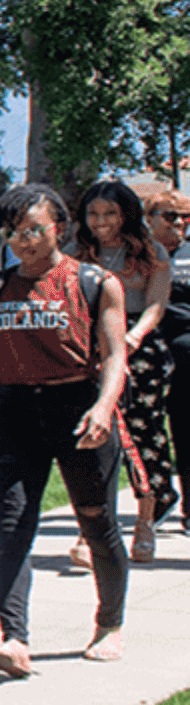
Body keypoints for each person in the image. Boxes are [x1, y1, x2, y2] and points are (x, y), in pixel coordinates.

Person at [0, 184, 129, 676]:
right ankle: (13, 638)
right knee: (11, 526)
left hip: (78, 408)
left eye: (34, 230)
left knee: (96, 520)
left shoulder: (95, 283)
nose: (23, 241)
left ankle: (110, 624)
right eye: (13, 232)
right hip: (15, 413)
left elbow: (115, 355)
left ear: (60, 229)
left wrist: (103, 407)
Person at [67, 179, 173, 564]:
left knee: (143, 434)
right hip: (87, 346)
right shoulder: (75, 253)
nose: (101, 221)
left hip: (138, 348)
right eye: (93, 214)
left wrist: (130, 338)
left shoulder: (150, 252)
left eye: (110, 213)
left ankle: (145, 521)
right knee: (91, 435)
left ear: (126, 214)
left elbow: (157, 304)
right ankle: (89, 531)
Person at [149, 185, 190, 540]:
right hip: (146, 353)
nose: (178, 223)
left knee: (186, 430)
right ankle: (161, 496)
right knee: (146, 430)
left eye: (184, 217)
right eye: (170, 216)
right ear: (149, 220)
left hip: (186, 354)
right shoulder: (141, 255)